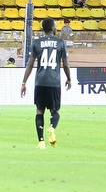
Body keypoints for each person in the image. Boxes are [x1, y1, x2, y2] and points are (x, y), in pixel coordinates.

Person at [21, 19, 72, 149]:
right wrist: (69, 78)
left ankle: (41, 142)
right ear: (53, 27)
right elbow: (65, 64)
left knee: (39, 111)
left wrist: (24, 82)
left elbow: (30, 64)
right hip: (54, 82)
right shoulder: (61, 43)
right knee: (55, 110)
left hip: (40, 82)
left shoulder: (36, 43)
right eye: (55, 26)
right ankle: (51, 127)